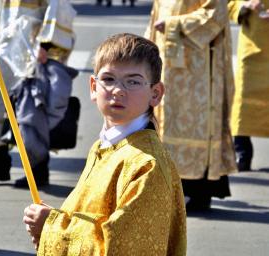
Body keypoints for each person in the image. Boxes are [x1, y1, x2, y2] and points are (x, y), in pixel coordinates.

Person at [23, 33, 187, 255]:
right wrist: (53, 222)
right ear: (93, 87)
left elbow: (122, 245)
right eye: (108, 79)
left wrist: (52, 228)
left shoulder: (147, 166)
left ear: (155, 93)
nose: (118, 90)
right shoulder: (104, 146)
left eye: (133, 81)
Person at [145, 0, 237, 211]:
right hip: (166, 61)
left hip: (199, 67)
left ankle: (198, 191)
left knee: (196, 122)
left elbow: (215, 15)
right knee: (166, 120)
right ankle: (169, 186)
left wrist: (173, 24)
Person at [0, 0, 76, 188]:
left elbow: (59, 10)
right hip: (6, 52)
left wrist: (45, 46)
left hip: (33, 52)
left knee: (31, 111)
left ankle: (38, 171)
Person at [228, 0, 269, 171]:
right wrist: (245, 6)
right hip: (251, 47)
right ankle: (243, 153)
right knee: (243, 100)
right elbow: (229, 4)